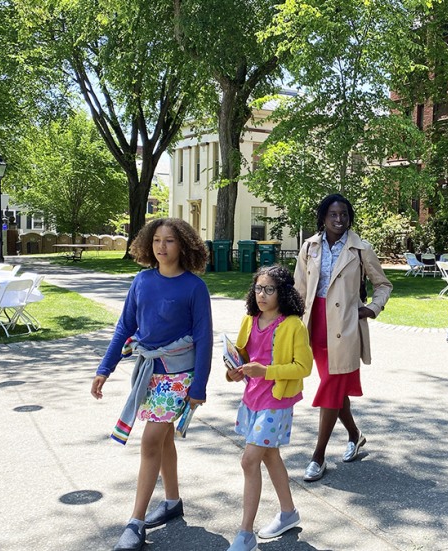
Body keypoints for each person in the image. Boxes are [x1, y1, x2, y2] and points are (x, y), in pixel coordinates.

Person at [90, 218, 212, 551]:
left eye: (170, 240)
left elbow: (204, 338)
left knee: (150, 442)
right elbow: (124, 327)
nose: (162, 246)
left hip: (179, 376)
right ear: (147, 243)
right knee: (163, 441)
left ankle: (135, 521)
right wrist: (105, 367)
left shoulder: (193, 287)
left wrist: (198, 387)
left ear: (184, 245)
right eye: (156, 240)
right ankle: (172, 502)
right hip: (148, 373)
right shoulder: (142, 281)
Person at [294, 193, 392, 482]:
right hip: (315, 326)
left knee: (330, 386)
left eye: (344, 215)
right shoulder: (309, 247)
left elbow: (383, 285)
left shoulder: (361, 248)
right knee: (335, 391)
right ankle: (355, 434)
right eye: (333, 215)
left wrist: (373, 308)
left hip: (346, 328)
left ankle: (318, 456)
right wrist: (291, 323)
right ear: (323, 217)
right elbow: (299, 289)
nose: (339, 220)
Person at [225, 265, 313, 551]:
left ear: (283, 292)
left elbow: (304, 367)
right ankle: (288, 513)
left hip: (276, 402)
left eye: (269, 289)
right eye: (258, 288)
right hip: (252, 399)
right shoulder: (249, 320)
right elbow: (240, 360)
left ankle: (245, 534)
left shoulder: (293, 325)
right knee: (270, 456)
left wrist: (266, 371)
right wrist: (233, 372)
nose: (262, 295)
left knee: (249, 460)